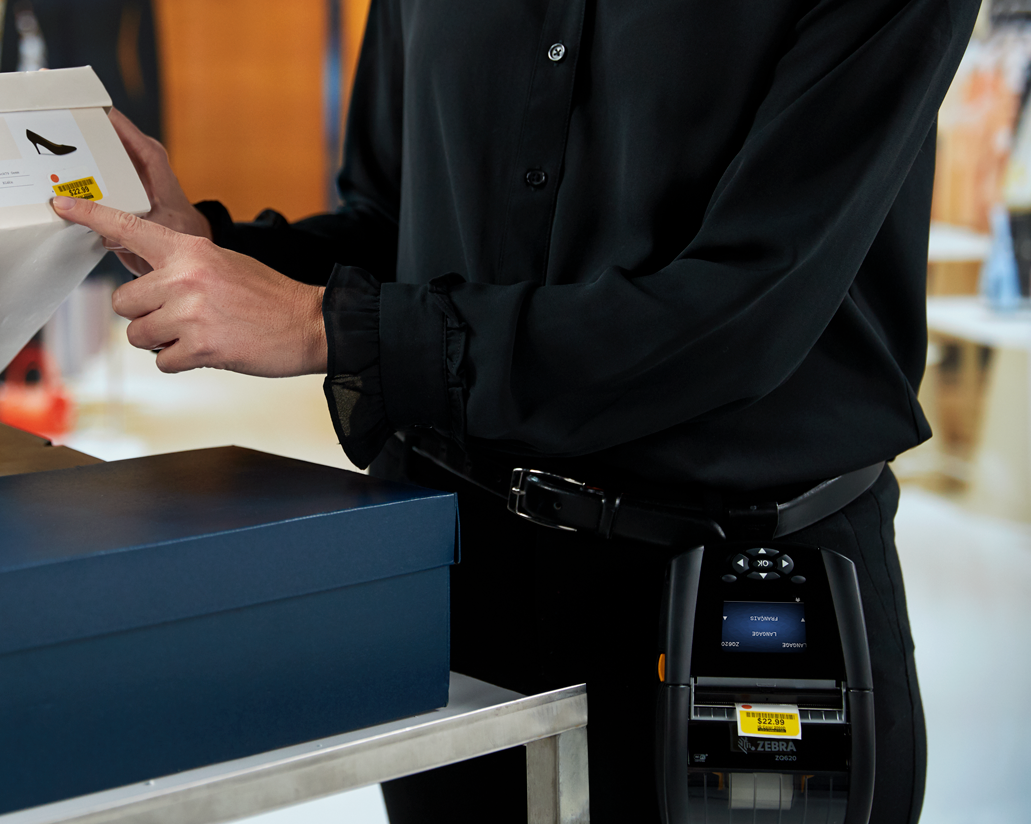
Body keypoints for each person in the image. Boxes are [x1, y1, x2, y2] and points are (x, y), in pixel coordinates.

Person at [50, 1, 978, 820]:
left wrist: (325, 326)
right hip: (471, 576)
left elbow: (744, 311)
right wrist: (218, 254)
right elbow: (394, 225)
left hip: (734, 584)